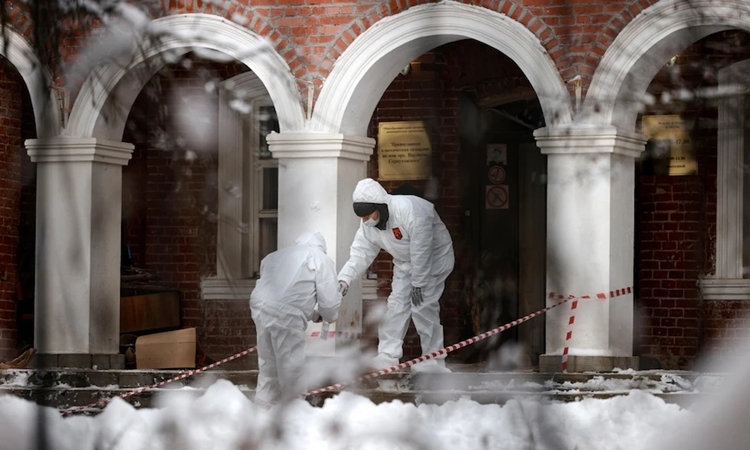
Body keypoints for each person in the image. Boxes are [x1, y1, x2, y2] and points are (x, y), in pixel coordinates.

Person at [338, 178, 454, 372]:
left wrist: (419, 283)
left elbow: (422, 249)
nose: (365, 221)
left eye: (368, 215)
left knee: (423, 306)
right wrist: (344, 279)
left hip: (435, 258)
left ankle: (434, 359)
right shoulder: (369, 226)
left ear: (380, 207)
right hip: (405, 262)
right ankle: (387, 356)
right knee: (395, 306)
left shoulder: (410, 210)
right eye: (362, 217)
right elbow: (360, 254)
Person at [249, 231, 341, 404]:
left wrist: (313, 314)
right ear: (321, 247)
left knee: (268, 363)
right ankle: (294, 410)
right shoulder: (320, 258)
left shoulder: (274, 256)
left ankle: (263, 406)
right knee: (291, 367)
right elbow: (329, 303)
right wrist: (328, 316)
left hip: (260, 308)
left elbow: (285, 295)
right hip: (286, 316)